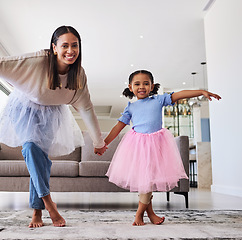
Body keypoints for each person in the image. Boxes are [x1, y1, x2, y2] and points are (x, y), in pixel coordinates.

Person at [0, 25, 107, 228]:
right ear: (54, 47)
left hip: (51, 115)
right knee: (31, 148)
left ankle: (36, 212)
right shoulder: (36, 62)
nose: (70, 50)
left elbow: (86, 108)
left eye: (74, 46)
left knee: (39, 161)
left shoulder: (78, 76)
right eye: (64, 45)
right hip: (25, 110)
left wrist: (98, 141)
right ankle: (48, 203)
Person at [95, 70, 221, 226]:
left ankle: (151, 214)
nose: (142, 87)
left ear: (152, 86)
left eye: (146, 83)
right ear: (130, 87)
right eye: (137, 84)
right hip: (138, 148)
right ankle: (139, 215)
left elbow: (180, 94)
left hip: (157, 146)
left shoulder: (159, 100)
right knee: (146, 182)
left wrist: (201, 91)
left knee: (147, 182)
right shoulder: (131, 108)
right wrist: (103, 143)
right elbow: (117, 127)